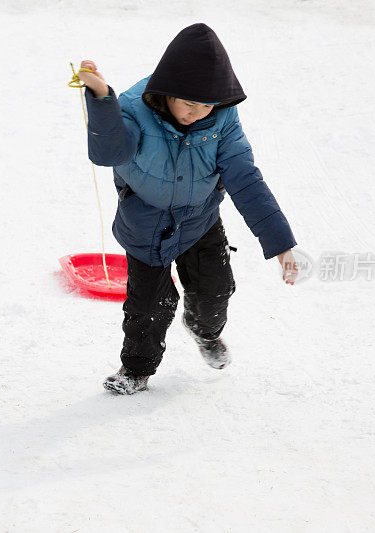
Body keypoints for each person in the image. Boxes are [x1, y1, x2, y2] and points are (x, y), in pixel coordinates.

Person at [77, 23, 299, 395]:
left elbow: (246, 179)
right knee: (148, 307)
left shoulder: (223, 119)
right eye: (189, 104)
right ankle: (135, 370)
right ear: (167, 93)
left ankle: (205, 333)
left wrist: (281, 243)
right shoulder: (133, 107)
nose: (198, 113)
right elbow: (107, 153)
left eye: (207, 105)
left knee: (216, 291)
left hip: (200, 221)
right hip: (145, 224)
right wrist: (101, 97)